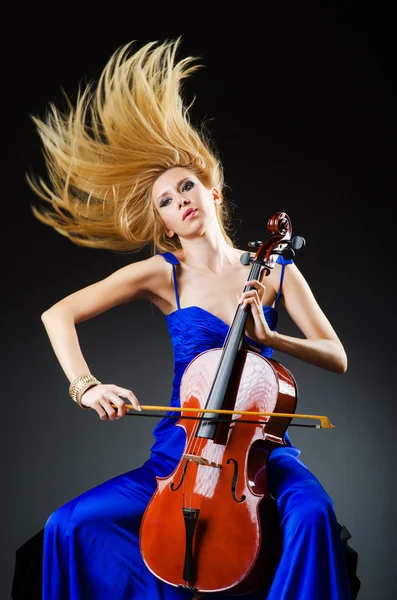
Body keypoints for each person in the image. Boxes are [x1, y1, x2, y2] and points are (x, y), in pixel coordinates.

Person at [25, 36, 353, 599]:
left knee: (313, 513)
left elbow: (337, 357)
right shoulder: (162, 273)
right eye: (166, 202)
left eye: (187, 187)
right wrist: (86, 386)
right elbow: (58, 315)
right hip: (179, 453)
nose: (180, 201)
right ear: (167, 225)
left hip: (259, 454)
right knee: (70, 524)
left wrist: (272, 337)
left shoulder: (273, 269)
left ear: (213, 192)